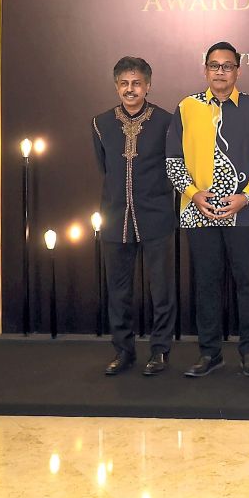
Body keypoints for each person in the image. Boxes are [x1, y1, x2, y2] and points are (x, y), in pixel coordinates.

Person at [166, 41, 249, 378]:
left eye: (227, 66)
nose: (220, 72)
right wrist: (194, 194)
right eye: (214, 65)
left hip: (242, 211)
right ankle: (210, 353)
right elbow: (173, 161)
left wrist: (245, 195)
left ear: (237, 70)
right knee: (207, 283)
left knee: (247, 282)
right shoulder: (186, 107)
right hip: (198, 211)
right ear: (205, 70)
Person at [91, 56, 178, 376]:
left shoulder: (167, 122)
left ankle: (160, 351)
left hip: (156, 217)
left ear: (148, 86)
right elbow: (105, 168)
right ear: (116, 86)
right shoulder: (100, 123)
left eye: (137, 83)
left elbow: (173, 168)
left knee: (161, 290)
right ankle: (123, 351)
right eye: (125, 84)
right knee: (119, 290)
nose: (131, 89)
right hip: (115, 218)